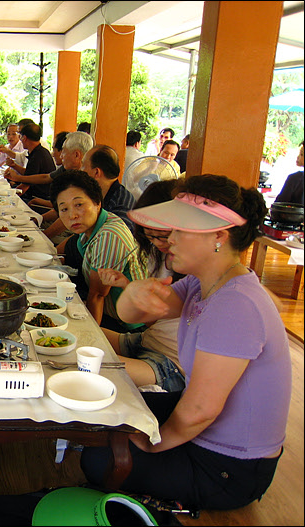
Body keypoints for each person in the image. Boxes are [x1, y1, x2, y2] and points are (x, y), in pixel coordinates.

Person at [81, 174, 290, 511]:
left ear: (218, 236)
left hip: (229, 467)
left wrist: (153, 445)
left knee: (98, 458)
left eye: (180, 230)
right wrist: (132, 294)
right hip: (206, 435)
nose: (169, 239)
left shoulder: (235, 304)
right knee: (105, 416)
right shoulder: (201, 283)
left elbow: (200, 409)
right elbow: (142, 309)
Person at [98, 180, 186, 392]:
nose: (158, 242)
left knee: (95, 366)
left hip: (171, 364)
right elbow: (151, 320)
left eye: (163, 235)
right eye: (150, 236)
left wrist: (131, 289)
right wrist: (129, 286)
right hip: (148, 340)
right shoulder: (157, 256)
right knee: (83, 337)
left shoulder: (198, 271)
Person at [50, 170, 147, 332]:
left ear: (97, 202)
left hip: (126, 324)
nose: (72, 215)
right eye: (64, 209)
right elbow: (65, 249)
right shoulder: (91, 227)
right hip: (110, 312)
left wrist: (90, 338)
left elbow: (97, 296)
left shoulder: (109, 236)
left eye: (79, 205)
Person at [3, 122, 56, 202]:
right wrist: (14, 165)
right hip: (35, 195)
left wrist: (8, 196)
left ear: (24, 138)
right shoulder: (39, 151)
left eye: (20, 136)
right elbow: (30, 174)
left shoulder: (38, 155)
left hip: (37, 199)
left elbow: (25, 186)